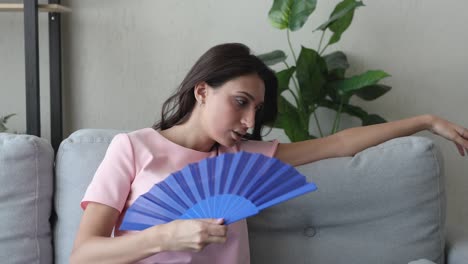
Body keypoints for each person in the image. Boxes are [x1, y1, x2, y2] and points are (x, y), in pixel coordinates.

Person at [70, 43, 468, 264]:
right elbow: (84, 255)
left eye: (256, 110)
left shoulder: (244, 159)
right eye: (240, 102)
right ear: (203, 91)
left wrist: (424, 120)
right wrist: (164, 237)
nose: (247, 121)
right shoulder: (133, 148)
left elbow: (339, 144)